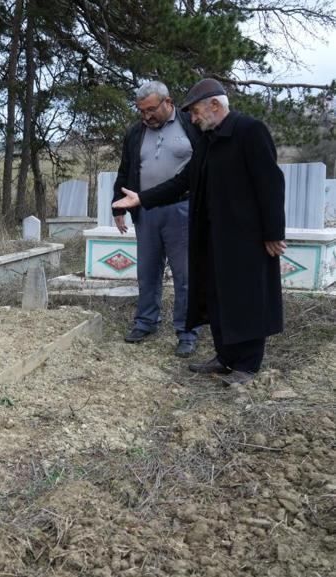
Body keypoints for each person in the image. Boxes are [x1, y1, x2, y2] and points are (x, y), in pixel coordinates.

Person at [112, 78, 286, 386]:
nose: (192, 119)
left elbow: (271, 183)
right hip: (213, 235)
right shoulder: (208, 139)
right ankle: (225, 357)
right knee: (218, 296)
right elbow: (183, 181)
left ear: (215, 106)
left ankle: (247, 365)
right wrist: (142, 198)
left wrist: (273, 232)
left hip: (246, 237)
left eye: (195, 112)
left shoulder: (249, 131)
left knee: (245, 298)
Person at [112, 81, 201, 357]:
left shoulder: (191, 125)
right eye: (141, 111)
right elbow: (126, 168)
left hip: (182, 209)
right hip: (146, 210)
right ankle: (146, 321)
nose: (146, 116)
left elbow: (205, 165)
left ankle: (187, 331)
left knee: (185, 274)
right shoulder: (136, 132)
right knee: (147, 272)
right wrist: (117, 207)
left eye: (151, 109)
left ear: (168, 102)